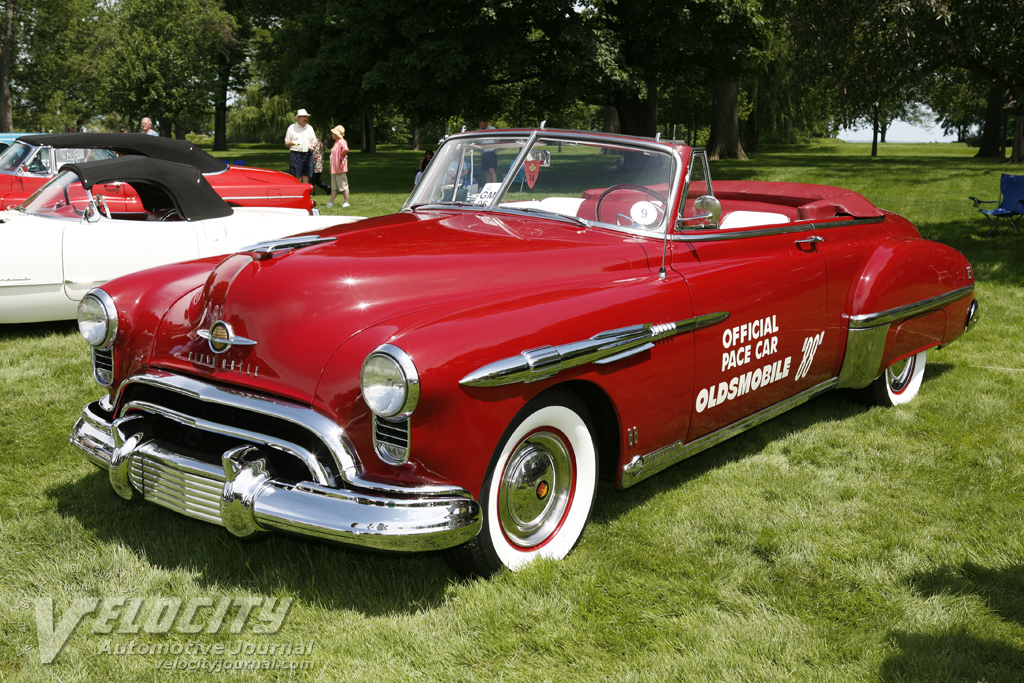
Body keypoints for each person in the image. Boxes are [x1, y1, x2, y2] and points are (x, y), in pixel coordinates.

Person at [284, 109, 317, 183]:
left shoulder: (310, 128)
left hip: (308, 154)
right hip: (296, 154)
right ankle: (297, 193)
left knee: (306, 175)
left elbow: (314, 142)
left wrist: (312, 145)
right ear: (298, 118)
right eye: (303, 117)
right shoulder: (291, 128)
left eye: (306, 117)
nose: (305, 119)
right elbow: (286, 143)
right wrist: (292, 143)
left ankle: (305, 193)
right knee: (296, 176)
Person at [327, 125, 350, 208]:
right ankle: (331, 202)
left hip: (339, 168)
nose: (332, 134)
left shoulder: (342, 142)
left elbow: (345, 149)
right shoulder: (336, 142)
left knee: (343, 185)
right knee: (334, 186)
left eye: (333, 133)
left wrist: (341, 159)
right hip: (334, 168)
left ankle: (346, 202)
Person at [477, 118, 497, 184]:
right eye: (480, 126)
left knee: (491, 170)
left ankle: (494, 184)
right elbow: (480, 143)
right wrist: (481, 152)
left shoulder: (492, 129)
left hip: (492, 151)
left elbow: (497, 140)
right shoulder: (479, 131)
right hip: (484, 152)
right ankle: (488, 185)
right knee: (486, 171)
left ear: (485, 123)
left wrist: (496, 150)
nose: (481, 127)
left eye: (482, 125)